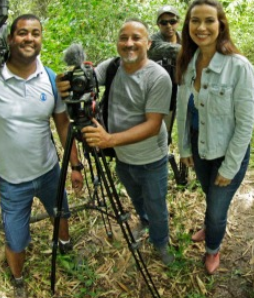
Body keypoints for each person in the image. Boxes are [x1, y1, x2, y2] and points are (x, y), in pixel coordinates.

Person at [0, 14, 84, 298]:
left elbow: (63, 125)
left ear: (41, 39)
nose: (29, 38)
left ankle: (64, 244)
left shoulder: (51, 78)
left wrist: (76, 165)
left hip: (50, 170)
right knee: (16, 239)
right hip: (12, 180)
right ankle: (18, 280)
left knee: (60, 212)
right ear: (11, 38)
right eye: (23, 32)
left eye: (35, 33)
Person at [58, 18, 175, 265]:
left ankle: (160, 242)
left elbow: (154, 125)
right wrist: (67, 82)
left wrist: (108, 139)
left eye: (136, 38)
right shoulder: (111, 67)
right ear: (117, 43)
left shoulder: (158, 77)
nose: (129, 43)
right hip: (121, 157)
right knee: (137, 198)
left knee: (156, 205)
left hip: (151, 158)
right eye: (124, 38)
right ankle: (143, 221)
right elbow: (87, 79)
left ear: (148, 43)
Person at [175, 0, 254, 275]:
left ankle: (213, 247)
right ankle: (210, 226)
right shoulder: (188, 62)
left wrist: (231, 166)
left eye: (209, 20)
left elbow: (246, 123)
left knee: (216, 209)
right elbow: (183, 112)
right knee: (209, 196)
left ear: (220, 24)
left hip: (227, 151)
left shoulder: (238, 66)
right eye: (195, 21)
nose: (201, 27)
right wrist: (184, 148)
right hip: (200, 147)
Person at [149, 5, 182, 137]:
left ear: (178, 22)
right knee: (160, 129)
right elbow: (171, 50)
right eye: (164, 22)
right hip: (159, 92)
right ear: (158, 24)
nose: (169, 26)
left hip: (182, 87)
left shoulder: (184, 38)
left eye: (172, 21)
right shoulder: (153, 41)